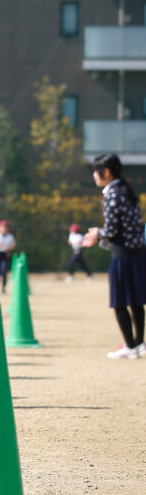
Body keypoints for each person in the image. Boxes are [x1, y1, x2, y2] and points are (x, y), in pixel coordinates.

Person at [82, 154, 146, 359]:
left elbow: (111, 230)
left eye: (96, 171)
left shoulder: (111, 193)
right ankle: (139, 342)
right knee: (136, 300)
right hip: (137, 253)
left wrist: (95, 234)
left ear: (106, 172)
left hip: (122, 255)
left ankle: (129, 345)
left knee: (119, 301)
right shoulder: (127, 190)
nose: (94, 175)